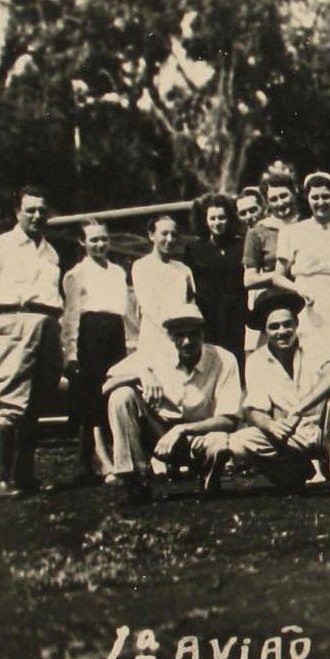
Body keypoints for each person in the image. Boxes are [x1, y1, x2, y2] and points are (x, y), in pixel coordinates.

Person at [0, 185, 63, 497]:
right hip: (14, 321)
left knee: (36, 403)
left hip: (47, 323)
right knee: (12, 402)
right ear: (17, 212)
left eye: (41, 210)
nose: (37, 216)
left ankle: (25, 476)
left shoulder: (51, 252)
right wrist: (2, 321)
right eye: (30, 210)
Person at [102, 303, 240, 503]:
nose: (186, 342)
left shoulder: (224, 359)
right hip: (158, 435)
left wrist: (182, 430)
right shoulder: (157, 355)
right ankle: (137, 480)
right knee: (122, 396)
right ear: (170, 337)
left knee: (219, 442)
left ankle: (210, 478)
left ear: (203, 333)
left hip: (199, 436)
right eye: (179, 335)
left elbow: (229, 420)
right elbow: (107, 385)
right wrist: (142, 375)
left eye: (193, 334)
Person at [226, 289, 330, 494]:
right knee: (239, 442)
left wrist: (298, 410)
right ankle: (295, 472)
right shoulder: (256, 361)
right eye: (274, 327)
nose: (282, 331)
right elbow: (253, 408)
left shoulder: (315, 344)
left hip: (323, 430)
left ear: (296, 324)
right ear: (265, 332)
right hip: (290, 436)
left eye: (287, 324)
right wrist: (271, 425)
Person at [60, 220, 133, 487]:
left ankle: (90, 462)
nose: (100, 245)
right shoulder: (77, 274)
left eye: (104, 239)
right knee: (91, 399)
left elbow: (124, 311)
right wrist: (70, 354)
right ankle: (102, 462)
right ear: (83, 243)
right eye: (93, 240)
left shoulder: (117, 272)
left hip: (114, 334)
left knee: (111, 393)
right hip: (89, 336)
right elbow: (70, 318)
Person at [273, 172, 330, 354]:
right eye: (315, 197)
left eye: (326, 196)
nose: (321, 202)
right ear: (306, 199)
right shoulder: (291, 232)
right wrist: (298, 289)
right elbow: (277, 277)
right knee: (307, 353)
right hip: (302, 302)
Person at [244, 165, 299, 352]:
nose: (280, 203)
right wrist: (277, 276)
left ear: (294, 193)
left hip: (308, 298)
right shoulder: (258, 232)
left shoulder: (308, 224)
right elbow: (249, 279)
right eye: (273, 199)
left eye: (284, 196)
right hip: (277, 303)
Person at [188, 193, 247, 363]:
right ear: (205, 220)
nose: (217, 222)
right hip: (208, 312)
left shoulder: (240, 245)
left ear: (229, 218)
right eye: (212, 218)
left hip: (236, 311)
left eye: (222, 217)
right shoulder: (194, 248)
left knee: (237, 356)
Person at [131, 215, 196, 361]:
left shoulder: (183, 269)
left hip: (182, 340)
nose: (170, 239)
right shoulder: (141, 266)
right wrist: (174, 331)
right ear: (151, 235)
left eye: (174, 234)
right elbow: (149, 306)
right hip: (155, 338)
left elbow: (190, 305)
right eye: (164, 233)